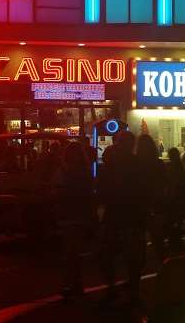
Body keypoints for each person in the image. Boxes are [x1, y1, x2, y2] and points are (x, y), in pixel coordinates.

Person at [96, 130, 143, 305]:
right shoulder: (137, 164)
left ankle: (112, 288)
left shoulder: (110, 164)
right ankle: (133, 290)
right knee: (132, 256)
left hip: (115, 214)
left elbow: (101, 190)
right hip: (132, 215)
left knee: (108, 254)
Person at [53, 141, 94, 298]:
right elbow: (90, 193)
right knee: (74, 251)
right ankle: (76, 283)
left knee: (71, 252)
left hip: (68, 214)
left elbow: (57, 190)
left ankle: (71, 284)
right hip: (80, 214)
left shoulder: (63, 170)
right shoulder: (85, 171)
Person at [137, 134, 168, 265]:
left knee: (139, 235)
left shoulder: (136, 163)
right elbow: (165, 183)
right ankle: (164, 262)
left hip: (140, 203)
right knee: (157, 236)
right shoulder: (158, 163)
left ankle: (141, 260)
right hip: (156, 203)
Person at [164, 147, 185, 252]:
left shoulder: (172, 166)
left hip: (174, 197)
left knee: (173, 220)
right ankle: (177, 241)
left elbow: (172, 182)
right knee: (177, 220)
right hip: (179, 197)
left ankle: (174, 242)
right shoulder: (179, 165)